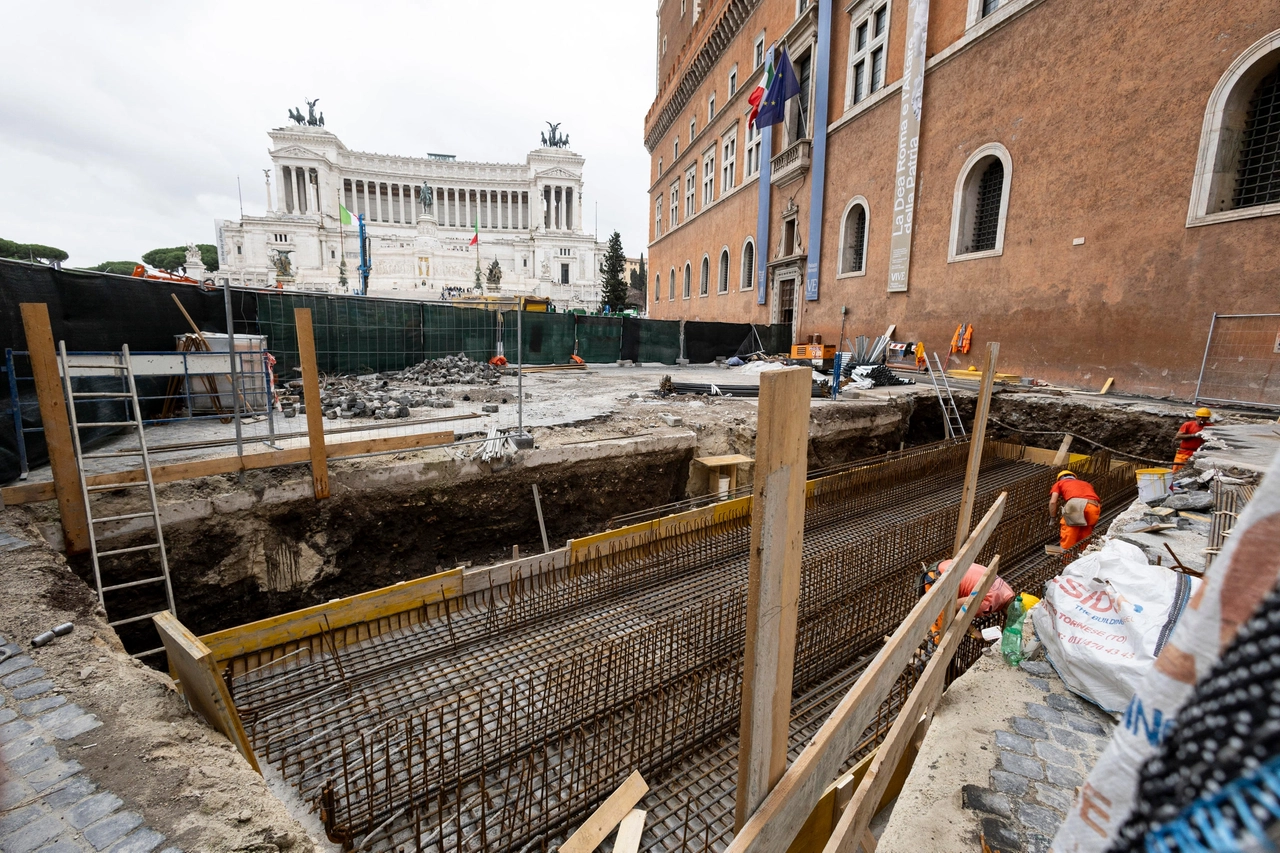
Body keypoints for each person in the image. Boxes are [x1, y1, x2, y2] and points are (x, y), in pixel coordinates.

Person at [1049, 471, 1101, 550]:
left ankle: (1065, 559)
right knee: (1085, 534)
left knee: (1070, 533)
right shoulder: (1086, 483)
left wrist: (1053, 518)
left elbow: (1053, 502)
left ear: (1059, 479)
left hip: (1076, 505)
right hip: (1094, 506)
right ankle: (1081, 556)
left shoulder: (1060, 483)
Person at [1172, 407, 1212, 472]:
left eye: (1204, 417)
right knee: (1177, 471)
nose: (1201, 419)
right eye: (1199, 417)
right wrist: (1193, 435)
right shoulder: (1188, 425)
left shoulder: (1210, 427)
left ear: (1207, 418)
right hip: (1184, 453)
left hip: (1199, 454)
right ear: (1196, 417)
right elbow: (1178, 436)